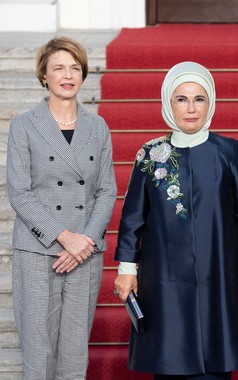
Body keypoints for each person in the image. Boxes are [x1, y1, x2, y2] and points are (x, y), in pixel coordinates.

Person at [113, 61, 238, 380]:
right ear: (168, 102)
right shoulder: (151, 154)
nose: (191, 108)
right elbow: (132, 218)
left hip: (220, 276)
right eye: (181, 99)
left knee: (216, 362)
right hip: (164, 278)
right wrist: (127, 269)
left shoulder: (229, 151)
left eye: (199, 99)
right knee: (169, 361)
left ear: (210, 102)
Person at [6, 37, 117, 379]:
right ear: (44, 76)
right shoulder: (24, 125)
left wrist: (85, 241)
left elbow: (106, 190)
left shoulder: (97, 127)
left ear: (83, 74)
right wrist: (64, 237)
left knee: (74, 353)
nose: (67, 75)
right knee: (38, 354)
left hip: (85, 253)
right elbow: (20, 192)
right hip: (39, 251)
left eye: (74, 67)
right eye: (58, 68)